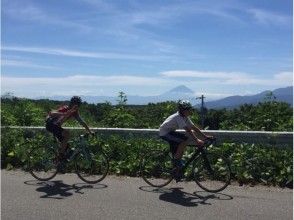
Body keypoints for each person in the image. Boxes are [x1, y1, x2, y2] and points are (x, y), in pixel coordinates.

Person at [159, 100, 214, 181]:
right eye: (187, 109)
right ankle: (176, 161)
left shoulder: (185, 117)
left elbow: (194, 127)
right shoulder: (178, 117)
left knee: (184, 141)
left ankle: (177, 169)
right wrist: (197, 140)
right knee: (184, 141)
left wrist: (205, 137)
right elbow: (188, 130)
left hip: (170, 132)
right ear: (182, 110)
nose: (189, 111)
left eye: (189, 109)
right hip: (165, 133)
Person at [45, 96, 93, 161]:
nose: (76, 107)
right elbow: (51, 113)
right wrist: (64, 114)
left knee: (66, 146)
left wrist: (90, 131)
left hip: (56, 126)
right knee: (67, 134)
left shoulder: (75, 113)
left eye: (78, 105)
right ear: (72, 104)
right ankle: (60, 155)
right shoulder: (66, 108)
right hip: (51, 124)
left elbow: (82, 122)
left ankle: (58, 162)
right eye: (75, 105)